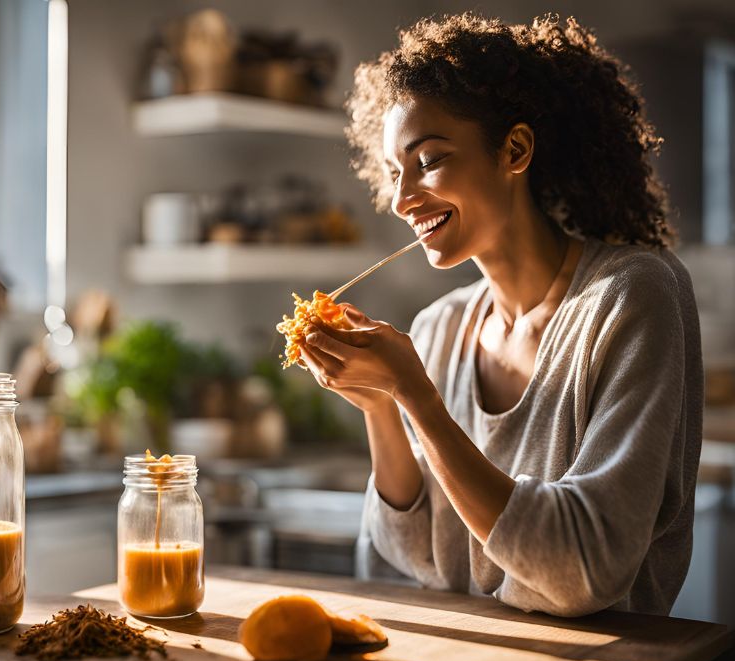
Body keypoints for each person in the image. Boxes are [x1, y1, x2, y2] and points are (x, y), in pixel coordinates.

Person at [298, 13, 702, 617]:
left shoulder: (631, 296)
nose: (404, 200)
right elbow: (415, 560)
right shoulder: (437, 328)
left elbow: (584, 572)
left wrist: (416, 396)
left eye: (428, 160)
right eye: (393, 174)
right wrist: (382, 405)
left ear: (514, 150)